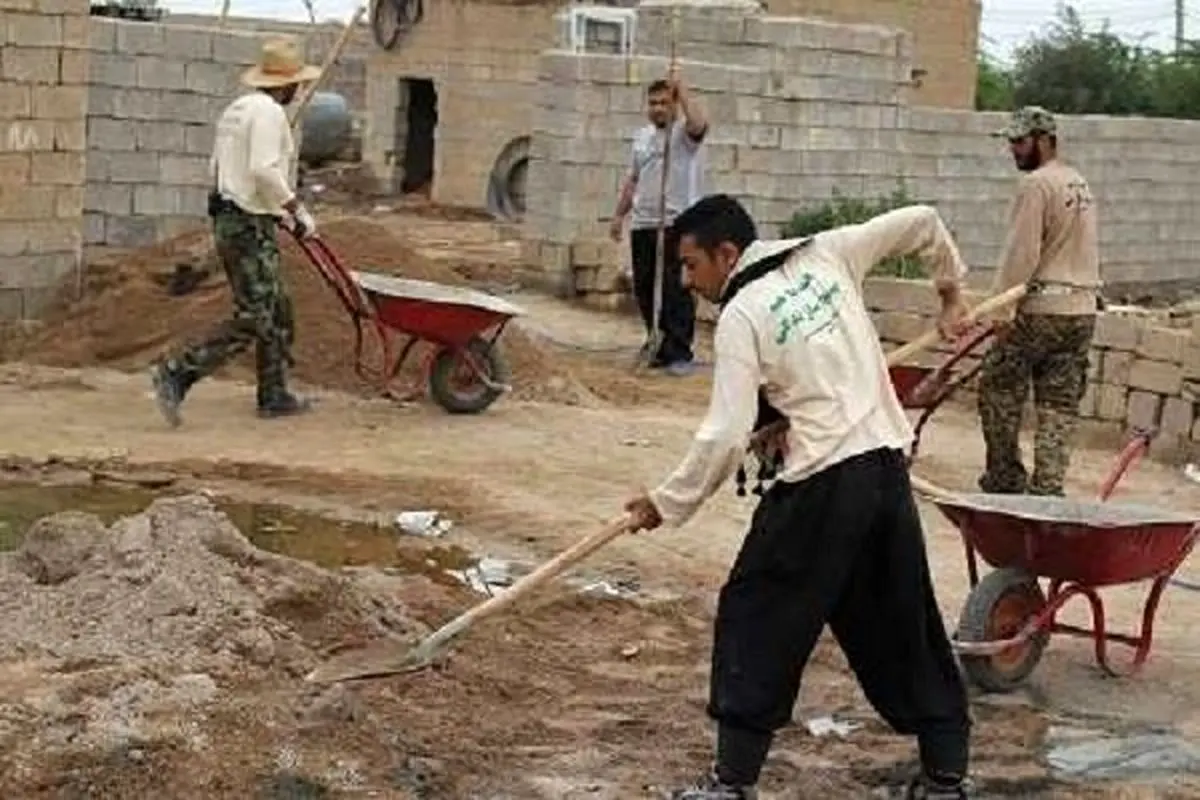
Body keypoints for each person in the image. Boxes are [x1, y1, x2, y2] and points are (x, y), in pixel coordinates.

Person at [622, 194, 976, 800]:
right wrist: (951, 293)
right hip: (884, 473)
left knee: (756, 614)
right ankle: (946, 777)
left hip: (822, 488)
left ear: (726, 254)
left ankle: (732, 784)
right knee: (903, 621)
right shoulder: (830, 252)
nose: (685, 280)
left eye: (689, 265)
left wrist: (666, 502)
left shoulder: (741, 315)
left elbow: (724, 434)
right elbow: (923, 221)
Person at [150, 36, 321, 427]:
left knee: (278, 306)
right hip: (245, 224)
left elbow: (219, 169)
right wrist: (295, 207)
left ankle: (274, 394)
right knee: (257, 315)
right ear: (287, 84)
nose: (298, 90)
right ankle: (177, 372)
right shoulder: (269, 115)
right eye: (297, 83)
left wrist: (272, 212)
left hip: (237, 216)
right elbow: (263, 169)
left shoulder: (236, 110)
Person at [978, 106, 1100, 496]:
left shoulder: (1036, 185)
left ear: (1045, 140)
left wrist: (1000, 309)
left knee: (998, 387)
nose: (1014, 149)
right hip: (1080, 311)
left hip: (1040, 309)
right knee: (1059, 404)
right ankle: (1049, 489)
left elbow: (1021, 252)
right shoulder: (1078, 183)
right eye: (1011, 142)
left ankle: (1005, 479)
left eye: (1020, 141)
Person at [609, 72, 708, 376]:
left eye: (664, 103)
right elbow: (633, 179)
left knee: (674, 289)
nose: (658, 109)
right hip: (644, 224)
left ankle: (679, 351)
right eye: (653, 103)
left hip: (674, 224)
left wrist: (684, 91)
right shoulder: (642, 138)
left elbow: (699, 124)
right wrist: (619, 214)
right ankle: (657, 341)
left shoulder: (682, 136)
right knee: (644, 287)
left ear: (674, 105)